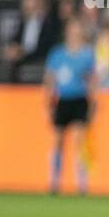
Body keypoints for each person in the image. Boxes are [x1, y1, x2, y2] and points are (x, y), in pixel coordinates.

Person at [43, 19, 97, 195]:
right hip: (63, 99)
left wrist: (93, 101)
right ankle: (54, 181)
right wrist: (48, 103)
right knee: (58, 140)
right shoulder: (57, 54)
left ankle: (82, 183)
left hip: (80, 99)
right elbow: (50, 80)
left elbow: (92, 80)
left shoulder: (87, 55)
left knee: (80, 140)